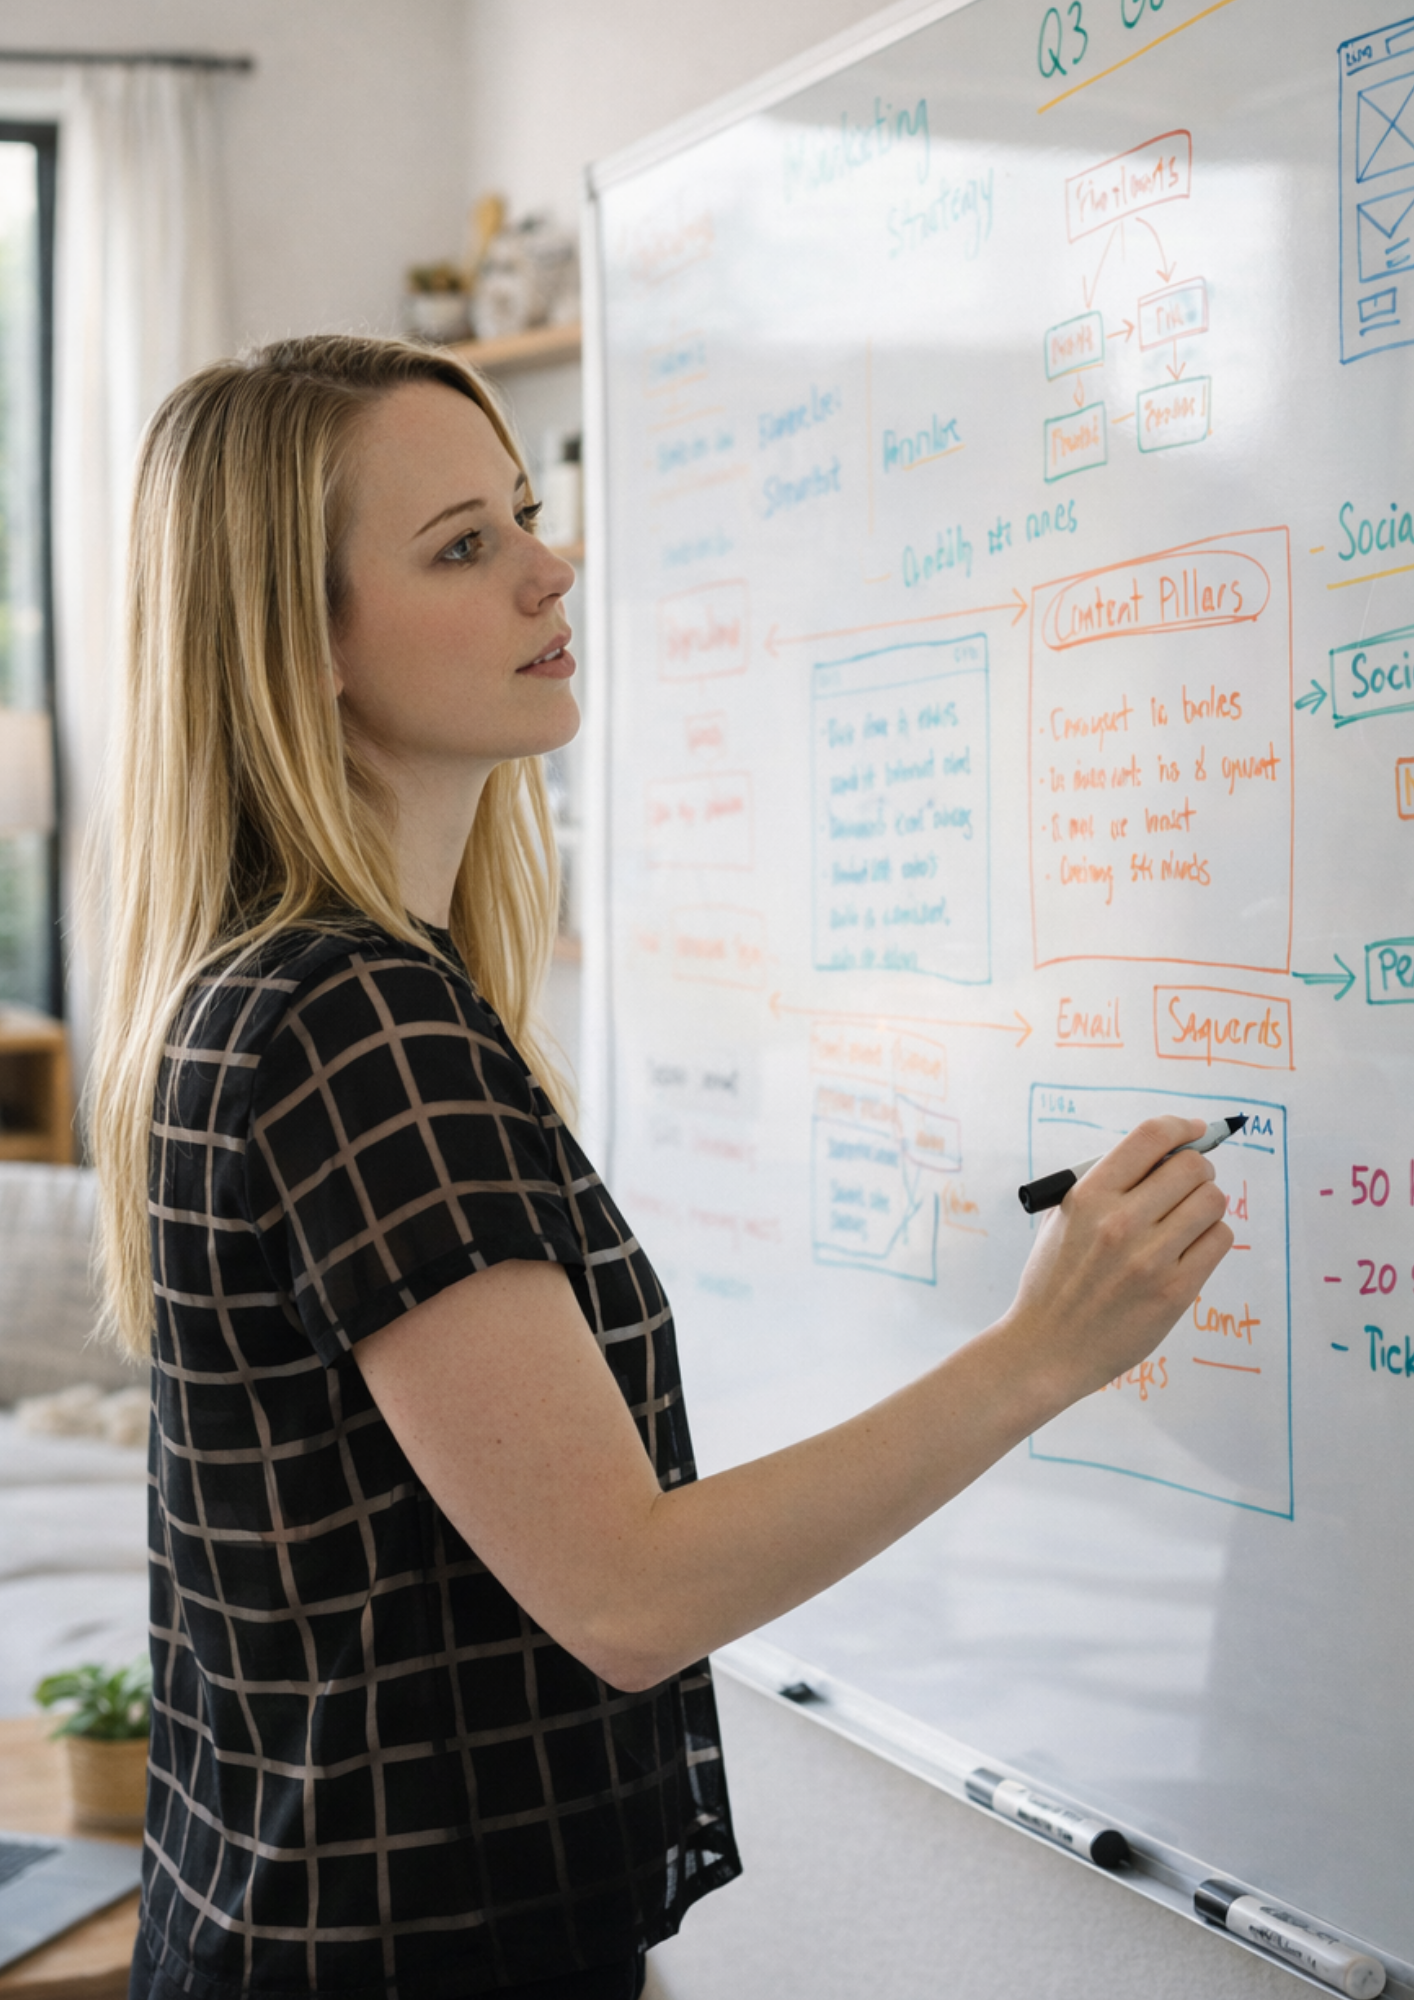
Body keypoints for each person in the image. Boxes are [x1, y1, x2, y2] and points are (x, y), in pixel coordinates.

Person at [88, 334, 1233, 2000]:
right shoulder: (354, 1023)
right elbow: (625, 1594)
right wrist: (1039, 1357)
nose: (550, 567)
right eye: (462, 546)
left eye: (525, 514)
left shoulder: (279, 985)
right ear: (301, 642)